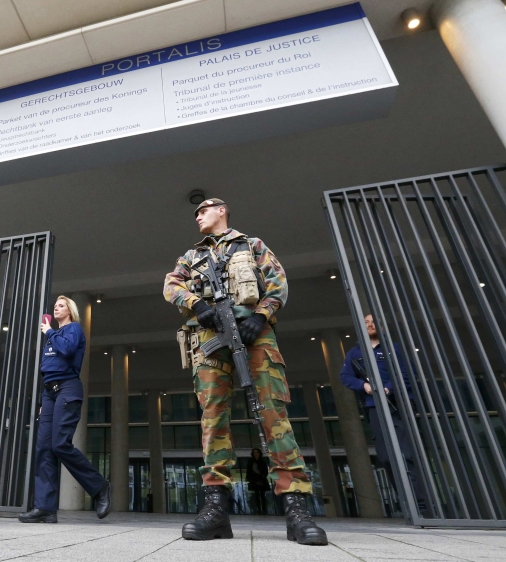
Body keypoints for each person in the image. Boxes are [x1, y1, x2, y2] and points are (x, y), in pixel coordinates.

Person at [163, 198, 327, 545]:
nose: (198, 216)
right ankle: (216, 508)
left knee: (273, 414)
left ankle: (296, 508)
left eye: (203, 210)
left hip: (255, 334)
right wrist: (197, 304)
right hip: (209, 336)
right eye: (196, 213)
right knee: (213, 417)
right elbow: (171, 286)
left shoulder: (252, 245)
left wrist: (261, 315)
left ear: (222, 210)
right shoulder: (190, 257)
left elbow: (278, 282)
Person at [18, 296, 112, 523]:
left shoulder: (73, 329)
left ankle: (100, 487)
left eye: (61, 305)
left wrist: (49, 331)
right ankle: (45, 508)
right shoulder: (54, 335)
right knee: (43, 448)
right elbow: (48, 369)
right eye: (55, 306)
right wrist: (44, 402)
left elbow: (68, 351)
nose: (56, 308)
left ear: (70, 310)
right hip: (50, 393)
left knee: (60, 444)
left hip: (68, 388)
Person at [340, 314, 429, 516]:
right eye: (366, 322)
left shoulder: (394, 349)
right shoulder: (355, 353)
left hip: (399, 405)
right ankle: (407, 502)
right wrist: (363, 385)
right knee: (386, 457)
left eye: (374, 322)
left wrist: (388, 388)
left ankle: (421, 505)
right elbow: (345, 377)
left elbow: (407, 374)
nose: (370, 325)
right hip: (374, 407)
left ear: (382, 327)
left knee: (407, 454)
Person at [246, 448, 270, 515]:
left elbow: (265, 471)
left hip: (261, 480)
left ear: (259, 453)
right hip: (254, 480)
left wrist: (262, 476)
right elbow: (248, 471)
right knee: (256, 495)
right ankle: (258, 509)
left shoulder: (262, 462)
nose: (256, 454)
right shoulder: (251, 462)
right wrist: (249, 479)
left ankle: (264, 509)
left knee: (262, 495)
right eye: (254, 453)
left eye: (257, 452)